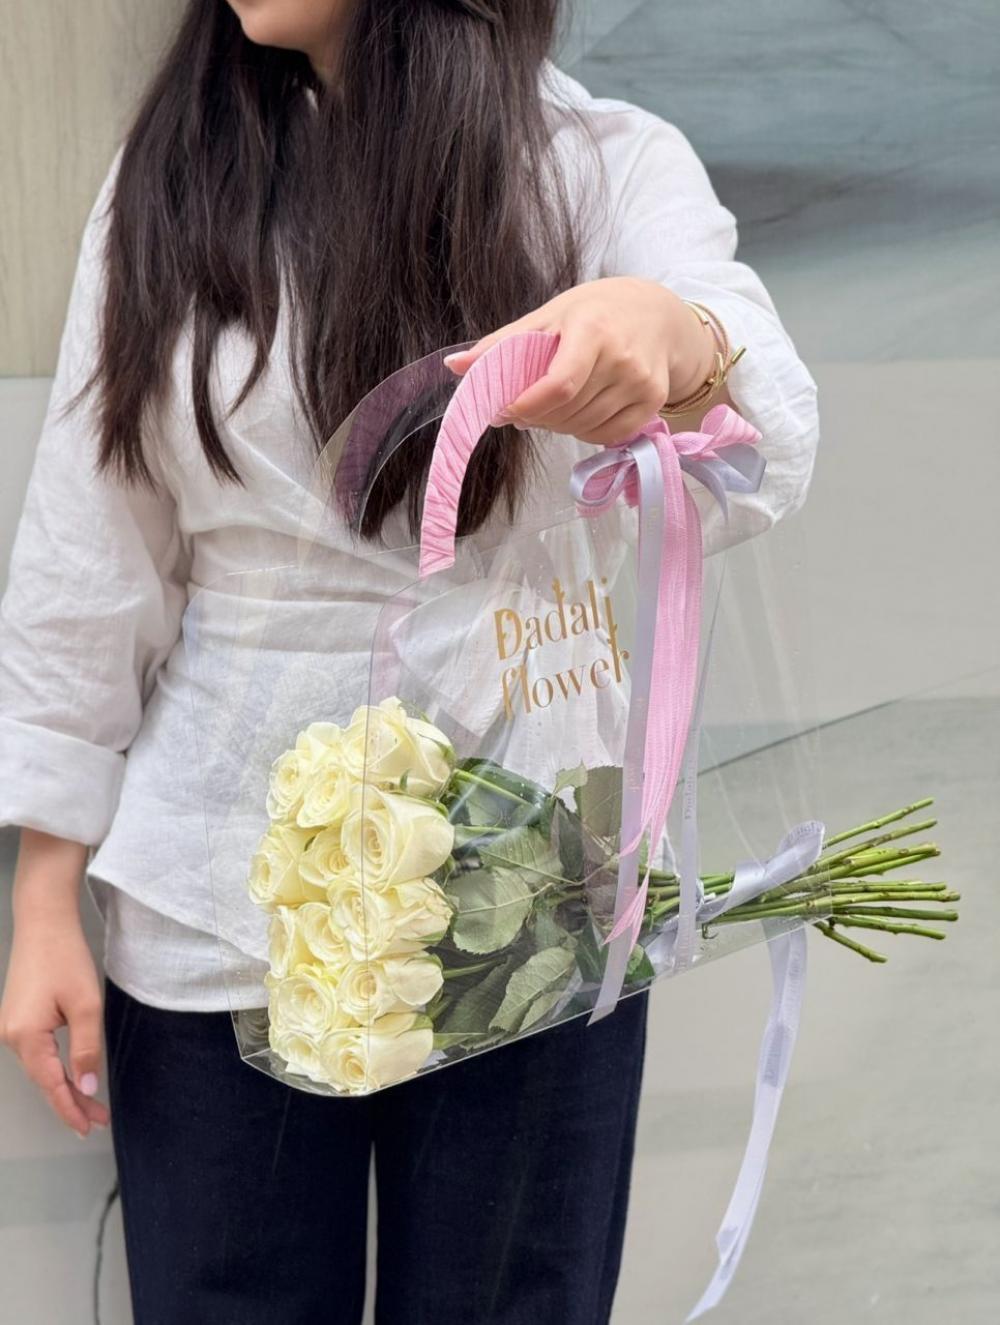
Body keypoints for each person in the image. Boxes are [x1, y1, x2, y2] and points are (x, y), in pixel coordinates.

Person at [0, 2, 820, 1322]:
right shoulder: (170, 180)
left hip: (536, 890)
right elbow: (92, 558)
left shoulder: (603, 167)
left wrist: (671, 339)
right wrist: (45, 898)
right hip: (224, 897)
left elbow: (758, 419)